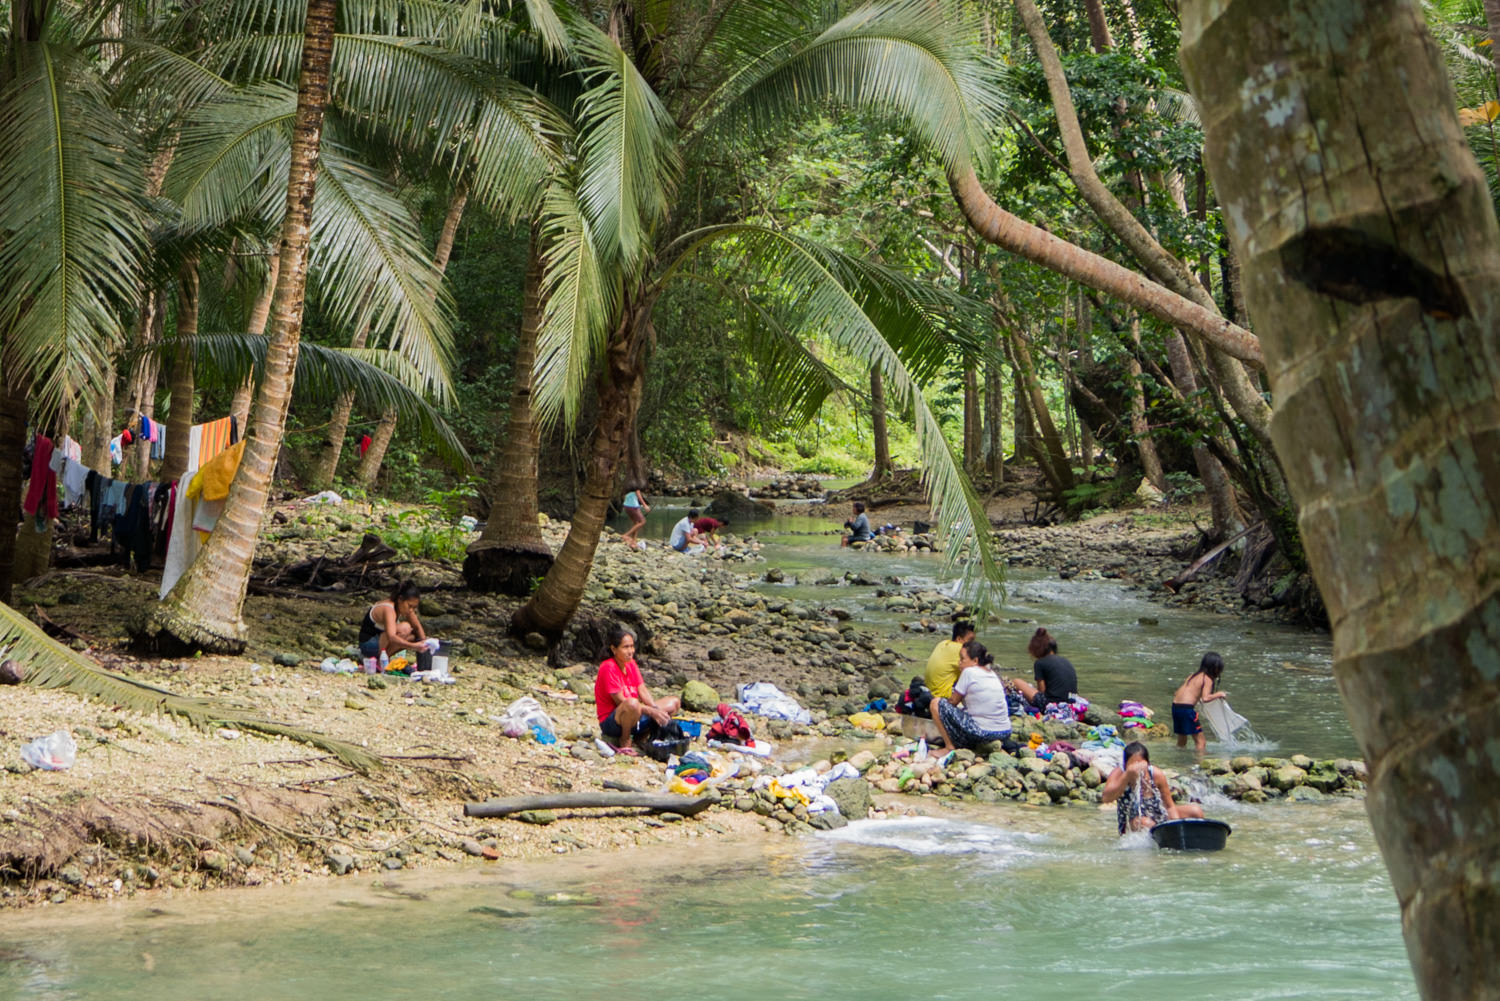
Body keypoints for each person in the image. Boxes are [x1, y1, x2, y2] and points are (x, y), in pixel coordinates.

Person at [595, 625, 681, 755]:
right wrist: (652, 712)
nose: (630, 651)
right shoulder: (608, 667)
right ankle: (625, 739)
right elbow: (621, 702)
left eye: (631, 646)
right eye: (625, 647)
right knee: (632, 703)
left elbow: (642, 690)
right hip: (612, 721)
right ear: (614, 649)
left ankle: (641, 737)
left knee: (673, 702)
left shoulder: (631, 664)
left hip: (635, 715)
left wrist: (655, 709)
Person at [1100, 741, 1204, 834]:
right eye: (1132, 764)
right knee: (1146, 823)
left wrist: (1176, 826)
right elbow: (1106, 798)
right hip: (1132, 822)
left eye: (1140, 763)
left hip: (1158, 817)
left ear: (1147, 763)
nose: (1137, 768)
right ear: (1125, 765)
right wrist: (1127, 775)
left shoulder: (1155, 774)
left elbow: (1170, 806)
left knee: (1195, 811)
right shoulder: (1119, 773)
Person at [930, 640, 1014, 751]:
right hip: (1005, 732)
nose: (959, 662)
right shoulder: (991, 673)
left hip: (983, 732)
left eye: (962, 659)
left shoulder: (969, 672)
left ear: (975, 661)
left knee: (936, 703)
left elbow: (953, 702)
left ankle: (949, 747)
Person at [357, 580, 434, 659]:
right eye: (410, 606)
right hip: (369, 644)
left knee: (413, 636)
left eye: (414, 607)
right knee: (405, 627)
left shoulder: (404, 607)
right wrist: (414, 646)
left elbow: (417, 627)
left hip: (381, 640)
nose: (411, 610)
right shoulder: (388, 609)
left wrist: (425, 643)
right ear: (400, 599)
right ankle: (381, 659)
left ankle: (384, 657)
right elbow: (392, 637)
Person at [1006, 627, 1078, 709]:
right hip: (1072, 702)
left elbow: (1042, 691)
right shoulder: (1065, 661)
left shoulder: (1040, 663)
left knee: (1016, 681)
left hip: (1052, 704)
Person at [1173, 651, 1228, 754]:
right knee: (1201, 742)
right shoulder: (1207, 679)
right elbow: (1205, 698)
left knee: (1182, 740)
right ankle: (1200, 764)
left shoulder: (1192, 676)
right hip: (1186, 709)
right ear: (1215, 667)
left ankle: (1178, 761)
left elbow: (1177, 693)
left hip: (1175, 707)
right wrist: (1219, 694)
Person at [924, 620, 976, 698]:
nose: (972, 645)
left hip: (930, 693)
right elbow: (975, 673)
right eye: (970, 640)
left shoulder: (943, 643)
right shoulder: (960, 649)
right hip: (942, 696)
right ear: (959, 639)